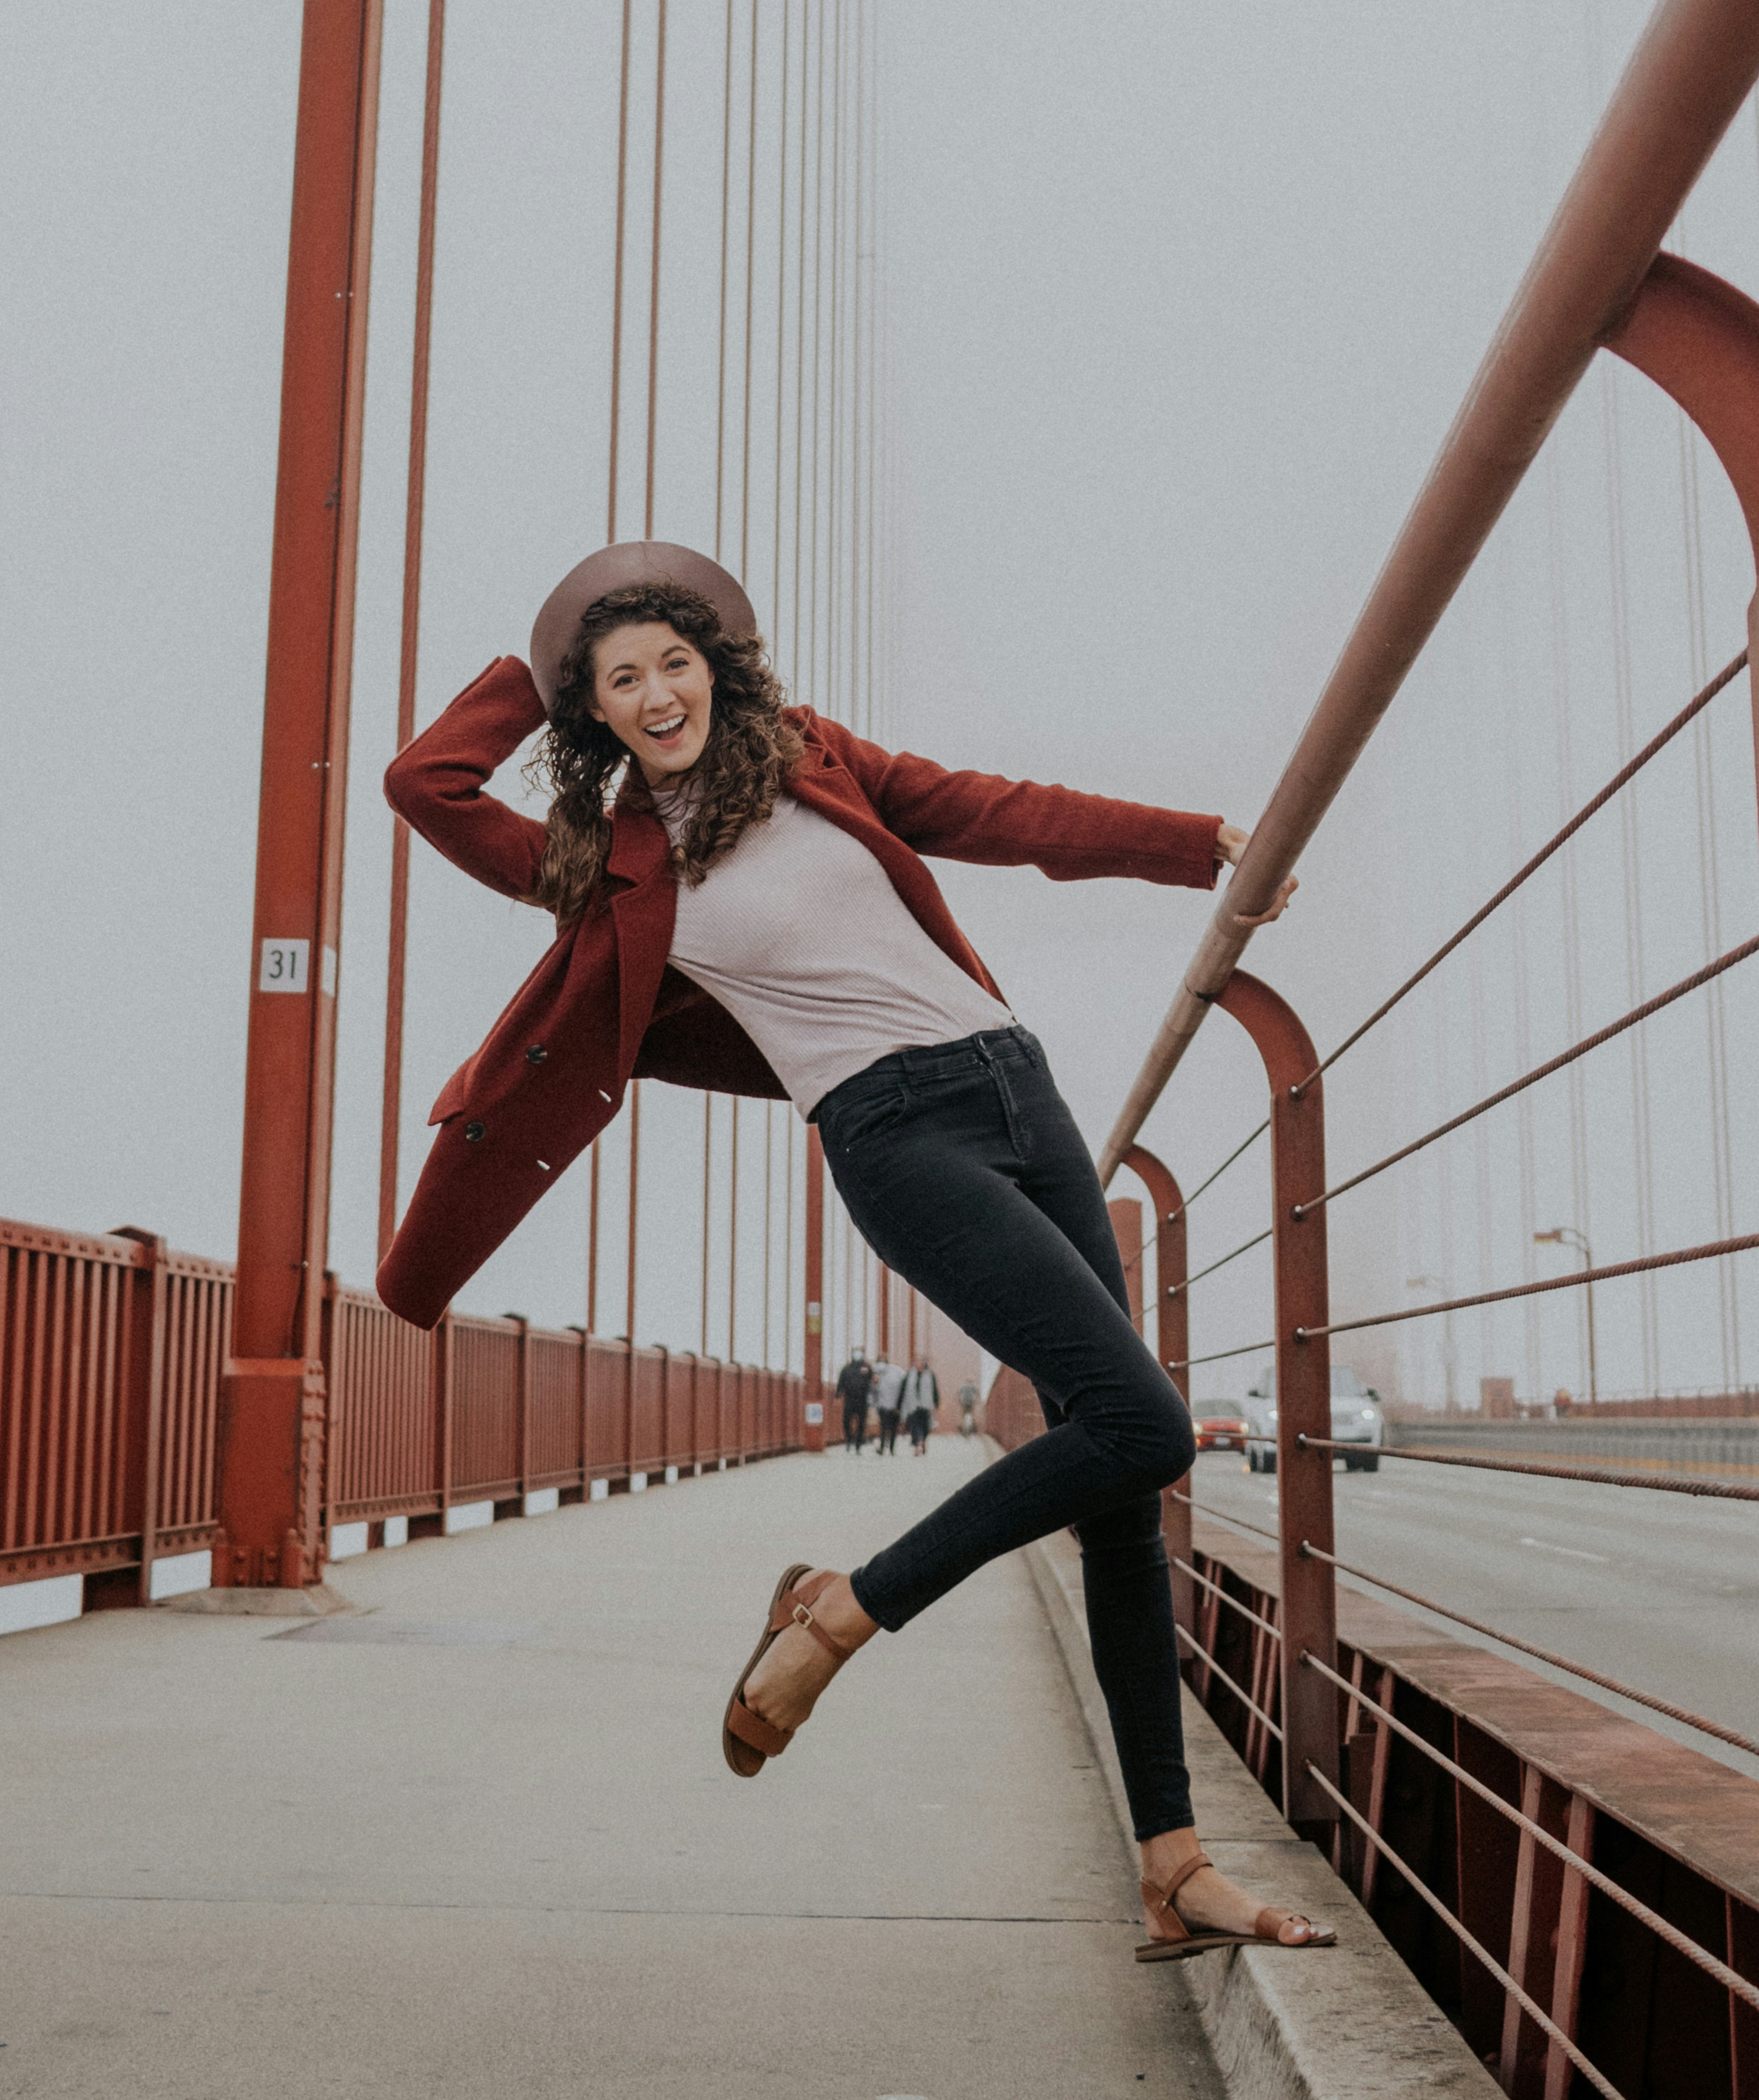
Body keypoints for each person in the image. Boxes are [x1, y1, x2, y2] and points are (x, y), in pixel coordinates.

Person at [378, 536, 1331, 1964]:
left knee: (1122, 1480)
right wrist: (536, 664)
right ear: (593, 707)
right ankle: (842, 1611)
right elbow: (424, 787)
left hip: (1023, 1094)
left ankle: (1170, 1863)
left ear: (720, 670)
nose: (654, 693)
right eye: (620, 676)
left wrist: (1198, 846)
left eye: (672, 662)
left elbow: (1000, 811)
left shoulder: (820, 759)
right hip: (894, 1134)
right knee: (1143, 1418)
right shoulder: (606, 867)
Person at [836, 1348, 874, 1455]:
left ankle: (858, 1444)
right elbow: (841, 1382)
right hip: (850, 1400)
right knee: (846, 1421)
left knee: (861, 1423)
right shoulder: (847, 1369)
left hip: (863, 1400)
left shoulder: (867, 1368)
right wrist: (838, 1394)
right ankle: (849, 1439)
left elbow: (872, 1383)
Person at [900, 1359, 939, 1456]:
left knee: (926, 1427)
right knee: (916, 1426)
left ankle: (923, 1441)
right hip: (913, 1405)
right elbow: (904, 1390)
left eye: (921, 1363)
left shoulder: (930, 1375)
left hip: (926, 1406)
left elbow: (934, 1390)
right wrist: (901, 1404)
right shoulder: (910, 1375)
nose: (919, 1365)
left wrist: (936, 1403)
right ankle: (918, 1444)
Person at [872, 1356, 905, 1456]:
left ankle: (892, 1448)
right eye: (879, 1362)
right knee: (884, 1427)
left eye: (883, 1362)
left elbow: (904, 1387)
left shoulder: (897, 1372)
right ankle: (882, 1447)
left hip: (895, 1406)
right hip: (882, 1405)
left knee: (894, 1428)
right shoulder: (875, 1372)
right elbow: (872, 1391)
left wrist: (901, 1405)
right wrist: (875, 1383)